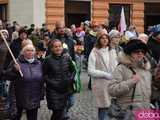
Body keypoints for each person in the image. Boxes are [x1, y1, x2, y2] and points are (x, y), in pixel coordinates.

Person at [108, 39, 152, 110]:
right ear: (129, 53)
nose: (140, 53)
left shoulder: (145, 69)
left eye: (143, 52)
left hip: (144, 111)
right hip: (127, 112)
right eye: (137, 51)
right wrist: (131, 81)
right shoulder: (121, 68)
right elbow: (112, 90)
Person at [3, 44, 44, 120]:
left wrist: (41, 94)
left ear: (34, 52)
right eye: (27, 50)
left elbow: (41, 80)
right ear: (23, 52)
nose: (30, 52)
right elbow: (7, 76)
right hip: (19, 97)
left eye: (32, 50)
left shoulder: (38, 63)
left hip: (34, 97)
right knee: (16, 117)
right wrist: (14, 70)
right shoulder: (16, 62)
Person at [88, 30, 118, 120]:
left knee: (111, 108)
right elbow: (90, 71)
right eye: (102, 38)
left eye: (106, 38)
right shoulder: (94, 52)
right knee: (103, 108)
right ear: (99, 40)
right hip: (100, 84)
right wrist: (105, 74)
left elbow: (116, 65)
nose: (105, 40)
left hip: (113, 83)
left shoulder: (112, 51)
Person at [43, 39, 75, 120]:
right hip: (53, 90)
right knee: (57, 112)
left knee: (61, 112)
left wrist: (70, 79)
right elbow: (44, 75)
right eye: (55, 47)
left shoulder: (67, 57)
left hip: (65, 89)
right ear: (52, 48)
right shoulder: (47, 60)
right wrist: (53, 83)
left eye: (60, 46)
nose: (58, 48)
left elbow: (73, 70)